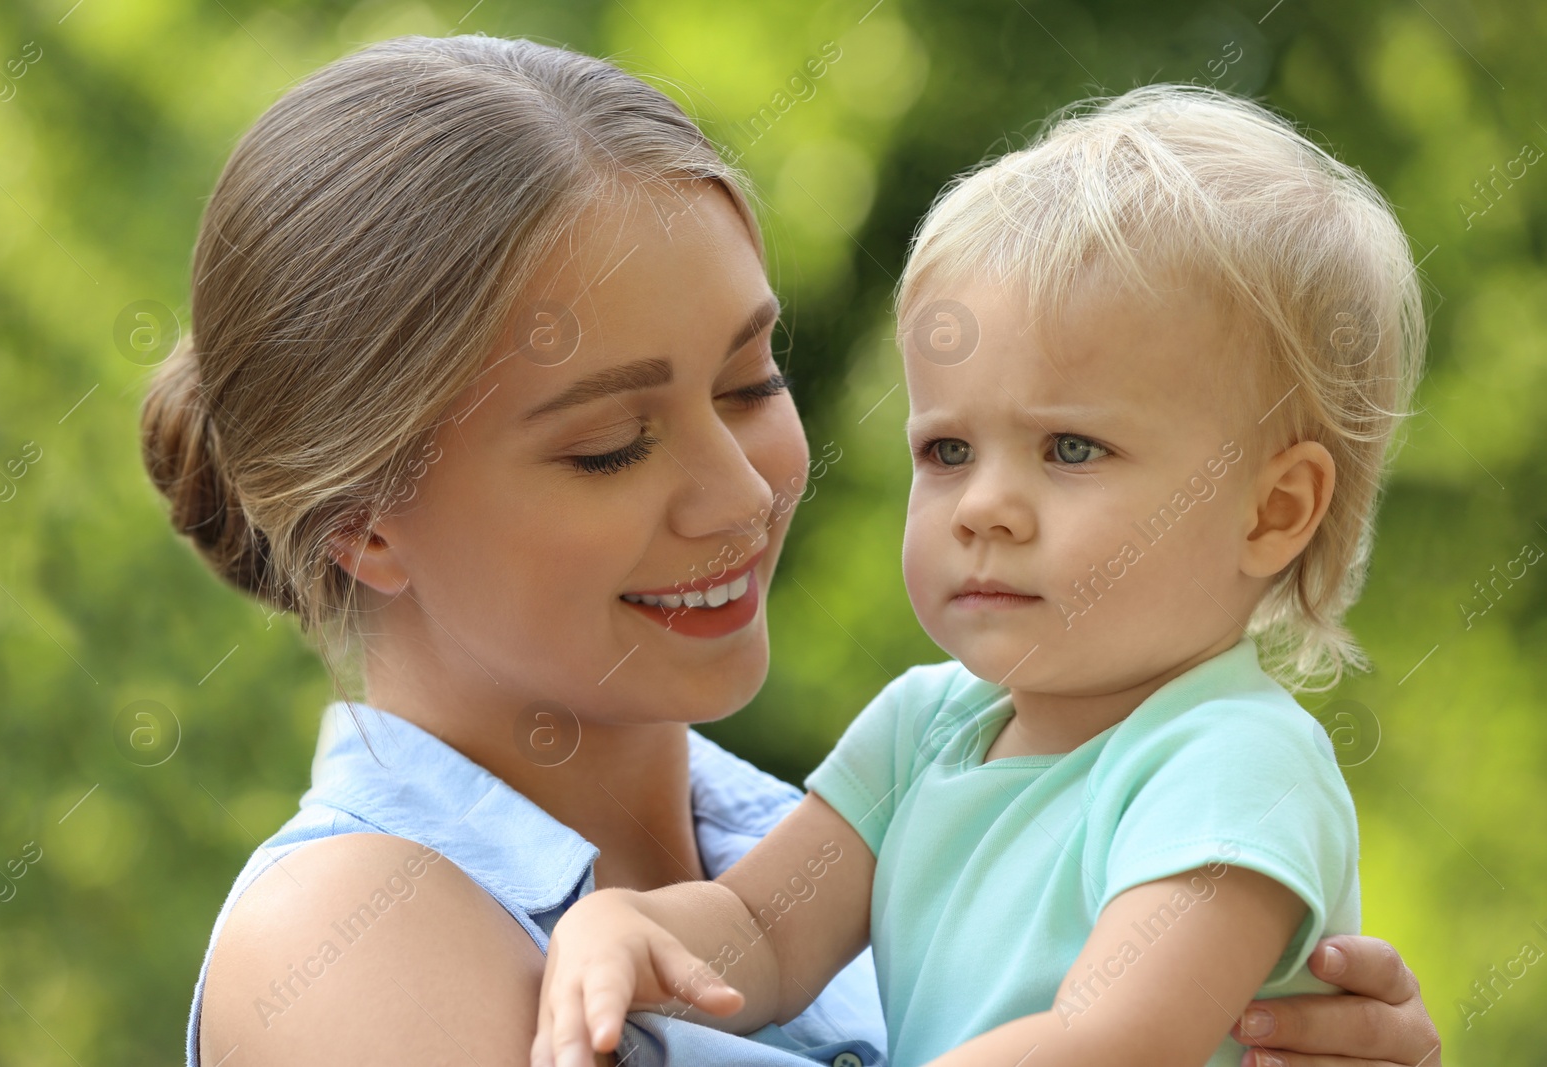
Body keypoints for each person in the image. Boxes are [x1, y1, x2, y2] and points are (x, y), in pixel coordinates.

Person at [138, 36, 1441, 1067]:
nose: (740, 490)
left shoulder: (854, 833)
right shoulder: (353, 932)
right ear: (369, 521)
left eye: (754, 381)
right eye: (609, 445)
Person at [532, 84, 1434, 1067]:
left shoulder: (1230, 760)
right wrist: (624, 931)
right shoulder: (925, 729)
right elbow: (764, 930)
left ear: (1272, 510)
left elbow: (1115, 1037)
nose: (980, 506)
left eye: (1072, 448)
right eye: (949, 450)